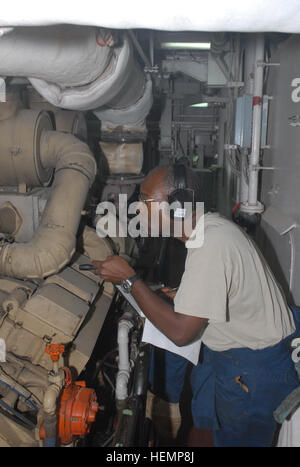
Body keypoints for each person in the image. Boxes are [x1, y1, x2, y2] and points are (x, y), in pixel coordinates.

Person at [92, 164, 300, 447]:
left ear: (178, 206)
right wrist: (181, 295)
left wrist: (129, 280)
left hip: (254, 370)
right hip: (228, 356)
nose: (137, 210)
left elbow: (182, 333)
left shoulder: (211, 243)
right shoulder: (208, 231)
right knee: (203, 428)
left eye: (146, 201)